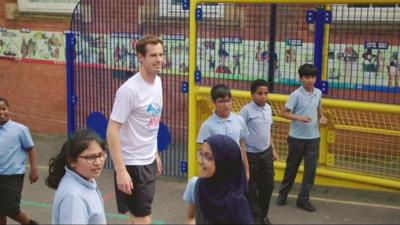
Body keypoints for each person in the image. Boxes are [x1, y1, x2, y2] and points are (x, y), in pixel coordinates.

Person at [106, 34, 164, 224]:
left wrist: (154, 152)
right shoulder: (129, 90)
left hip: (148, 160)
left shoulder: (158, 82)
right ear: (141, 57)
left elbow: (151, 123)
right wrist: (121, 170)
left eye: (161, 55)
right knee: (143, 219)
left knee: (137, 217)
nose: (159, 60)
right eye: (153, 55)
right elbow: (112, 130)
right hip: (132, 164)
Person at [276, 64, 327, 212]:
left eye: (312, 77)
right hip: (297, 138)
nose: (310, 80)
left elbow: (318, 108)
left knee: (310, 170)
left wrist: (322, 117)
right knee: (292, 167)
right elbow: (283, 113)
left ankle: (303, 200)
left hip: (314, 138)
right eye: (307, 77)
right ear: (301, 78)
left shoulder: (318, 92)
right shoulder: (295, 95)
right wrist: (299, 117)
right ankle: (282, 194)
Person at [183, 134, 253, 224]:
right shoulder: (196, 185)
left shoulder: (236, 201)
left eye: (208, 157)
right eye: (201, 154)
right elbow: (191, 217)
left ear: (224, 163)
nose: (200, 161)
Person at [46, 130, 107, 224]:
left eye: (100, 155)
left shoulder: (86, 180)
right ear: (72, 161)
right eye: (90, 157)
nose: (98, 162)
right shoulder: (74, 198)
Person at [239, 79, 279, 224]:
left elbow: (268, 132)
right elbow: (240, 136)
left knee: (268, 186)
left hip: (266, 154)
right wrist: (244, 159)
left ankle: (263, 215)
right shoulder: (246, 111)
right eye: (259, 93)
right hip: (250, 155)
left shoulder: (268, 108)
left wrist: (273, 149)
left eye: (266, 93)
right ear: (252, 94)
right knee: (251, 188)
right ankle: (256, 217)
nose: (263, 96)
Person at [197, 84, 250, 181]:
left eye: (228, 101)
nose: (226, 104)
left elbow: (242, 146)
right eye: (221, 101)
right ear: (214, 102)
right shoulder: (207, 125)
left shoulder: (239, 120)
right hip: (218, 171)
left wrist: (246, 171)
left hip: (237, 169)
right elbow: (202, 152)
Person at [0, 96, 39, 225]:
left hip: (13, 176)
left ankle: (29, 223)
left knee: (11, 208)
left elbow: (30, 148)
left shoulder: (20, 129)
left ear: (8, 110)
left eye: (3, 108)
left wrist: (34, 170)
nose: (1, 112)